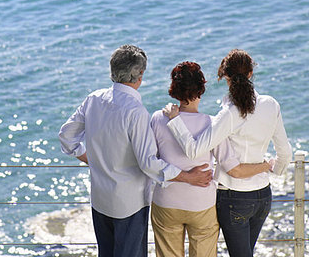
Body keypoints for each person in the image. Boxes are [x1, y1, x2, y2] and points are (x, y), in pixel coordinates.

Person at [59, 44, 213, 257]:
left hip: (100, 199)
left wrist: (92, 159)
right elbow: (149, 164)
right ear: (139, 75)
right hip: (128, 204)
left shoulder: (93, 99)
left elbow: (67, 138)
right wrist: (188, 177)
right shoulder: (136, 112)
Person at [163, 49, 292, 257]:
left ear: (225, 76)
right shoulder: (271, 104)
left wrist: (174, 121)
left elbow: (194, 149)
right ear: (250, 74)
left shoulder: (229, 113)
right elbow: (285, 153)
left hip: (234, 198)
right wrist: (271, 168)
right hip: (263, 196)